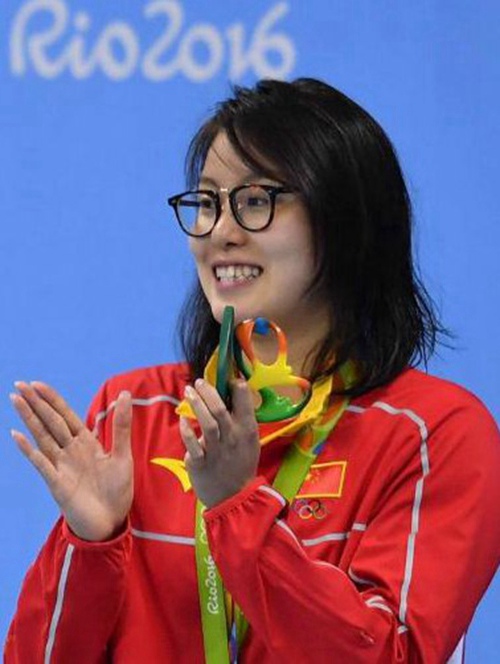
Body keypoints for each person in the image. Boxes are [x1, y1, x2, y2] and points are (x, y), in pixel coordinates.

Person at [5, 78, 500, 664]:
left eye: (257, 200)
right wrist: (89, 544)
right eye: (208, 202)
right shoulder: (136, 411)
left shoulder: (433, 433)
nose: (221, 232)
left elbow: (393, 655)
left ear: (346, 220)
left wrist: (237, 504)